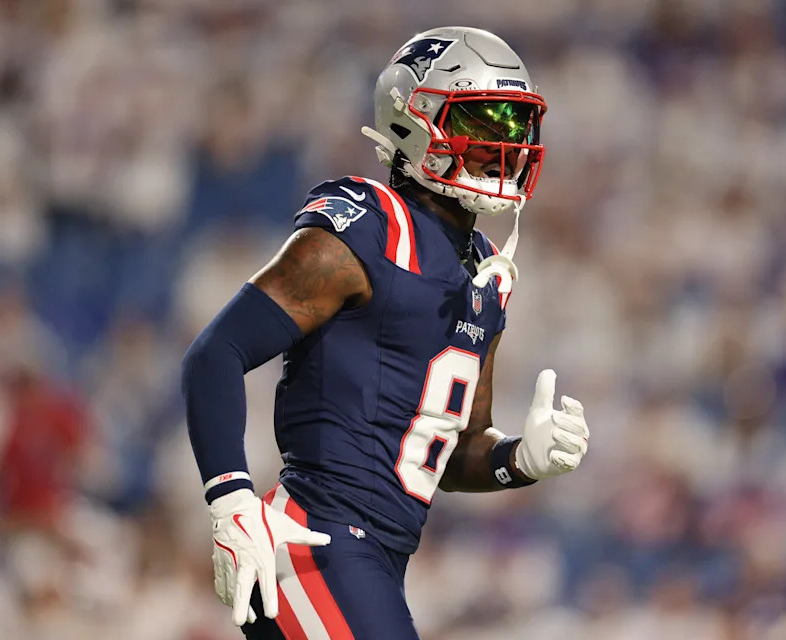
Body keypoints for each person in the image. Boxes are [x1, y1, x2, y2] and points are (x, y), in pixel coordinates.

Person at [181, 26, 589, 640]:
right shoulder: (371, 227)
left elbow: (451, 452)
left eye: (513, 125)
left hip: (376, 560)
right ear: (413, 125)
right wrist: (232, 499)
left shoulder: (484, 271)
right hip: (316, 542)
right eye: (482, 124)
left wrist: (518, 460)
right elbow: (217, 352)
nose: (503, 144)